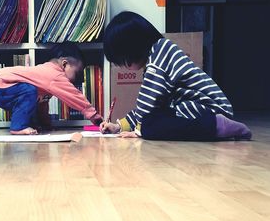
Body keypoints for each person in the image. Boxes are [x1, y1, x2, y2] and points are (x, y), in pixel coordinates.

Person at [100, 11, 252, 141]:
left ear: (131, 48)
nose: (123, 67)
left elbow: (146, 107)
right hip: (198, 108)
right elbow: (147, 106)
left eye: (122, 61)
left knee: (152, 127)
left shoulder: (157, 60)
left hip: (207, 109)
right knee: (153, 122)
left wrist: (140, 130)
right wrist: (119, 126)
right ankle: (216, 125)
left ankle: (217, 126)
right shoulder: (159, 52)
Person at [0, 42, 103, 135]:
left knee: (33, 97)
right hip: (0, 85)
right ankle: (18, 127)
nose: (77, 79)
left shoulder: (47, 80)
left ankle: (28, 124)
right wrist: (95, 117)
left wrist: (46, 124)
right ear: (64, 64)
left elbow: (42, 103)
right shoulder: (55, 75)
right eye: (77, 73)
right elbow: (74, 96)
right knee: (29, 91)